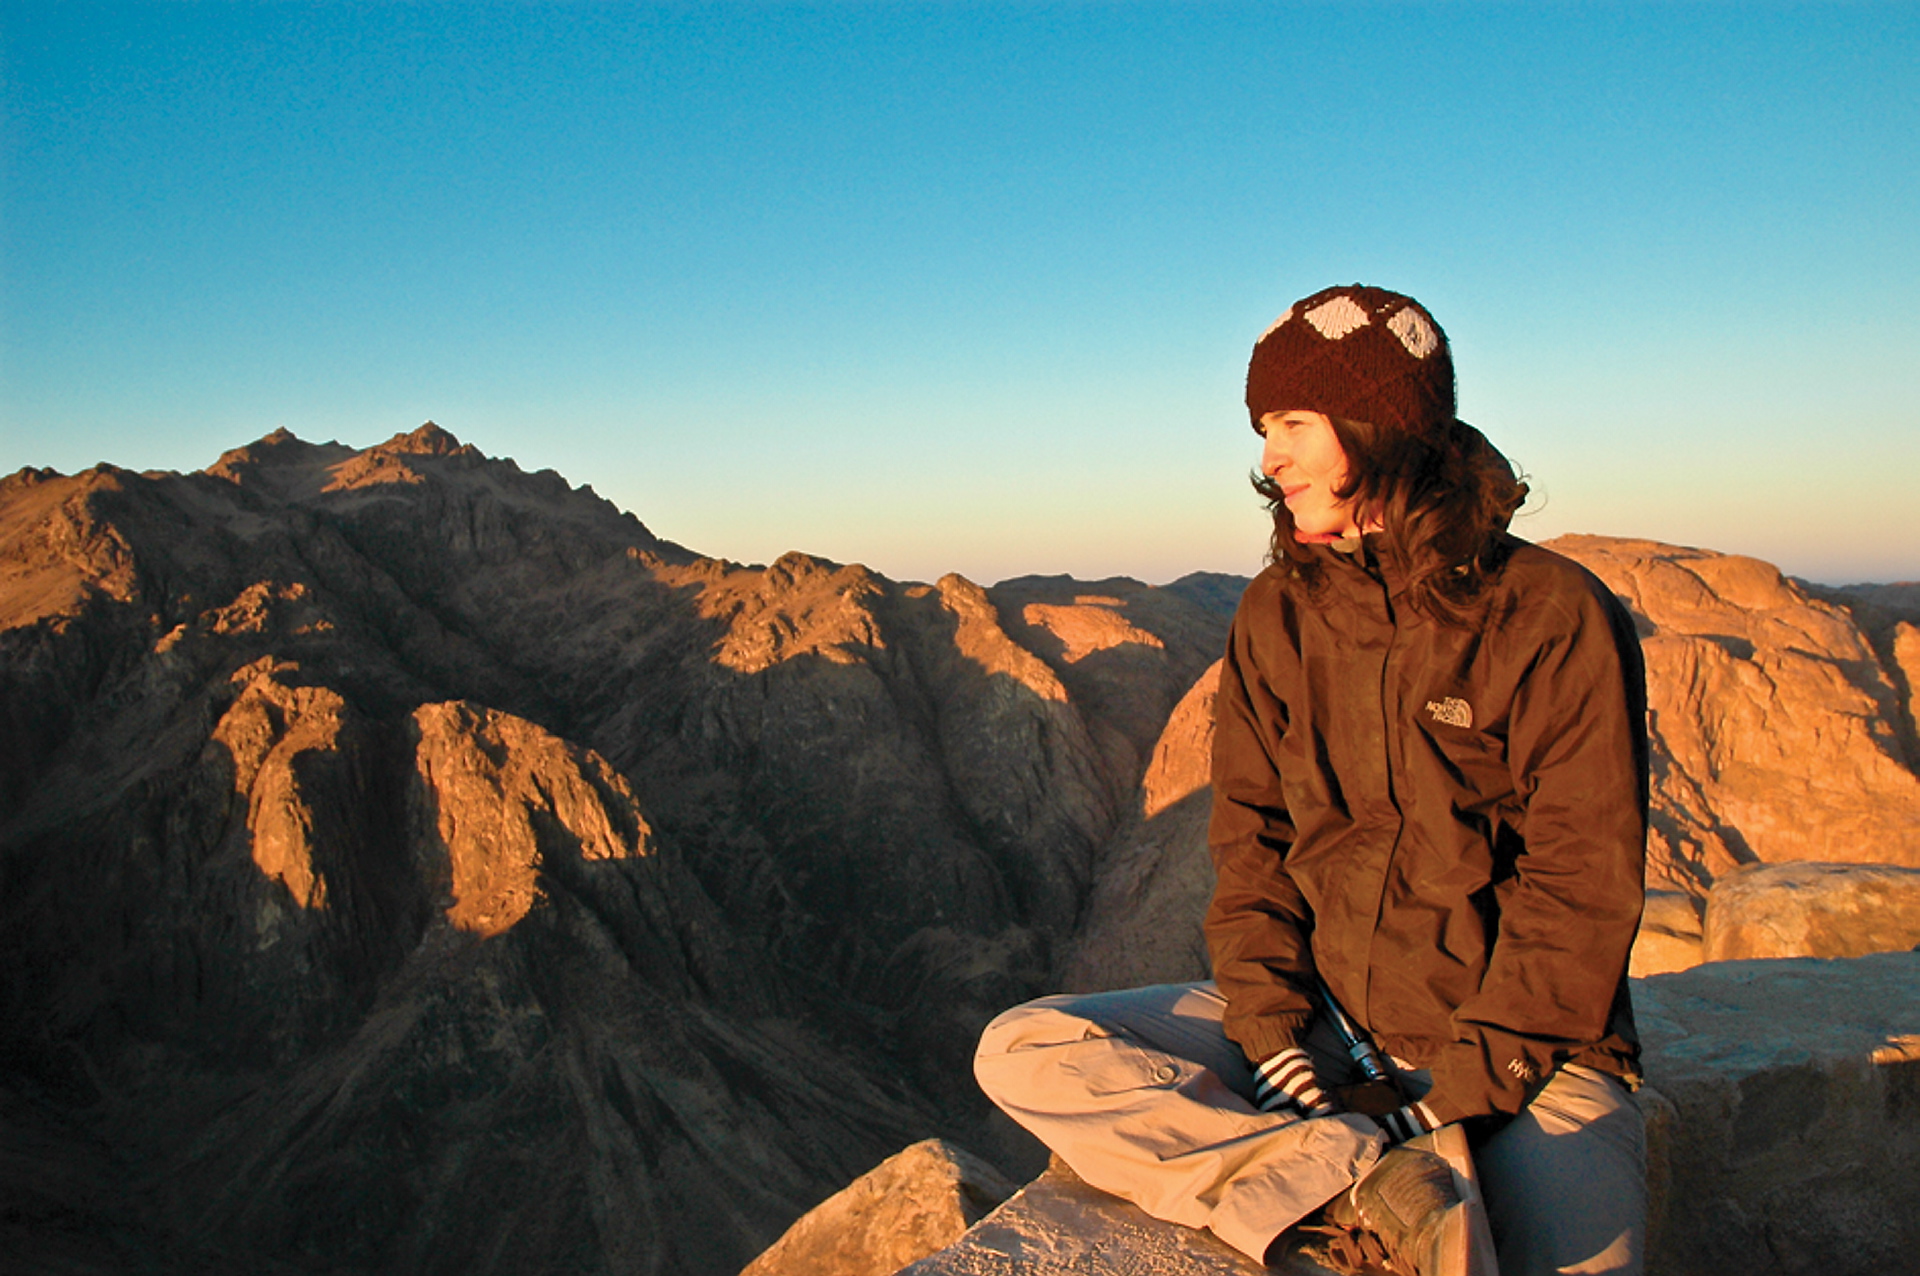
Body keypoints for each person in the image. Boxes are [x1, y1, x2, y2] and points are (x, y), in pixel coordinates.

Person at [973, 285, 1650, 1276]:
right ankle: (1347, 1190)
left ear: (1382, 423)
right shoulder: (1277, 613)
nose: (1268, 459)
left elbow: (1581, 887)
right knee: (1026, 1048)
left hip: (1530, 1060)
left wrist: (1446, 1106)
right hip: (1329, 1030)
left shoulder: (1548, 614)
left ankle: (1361, 1181)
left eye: (1292, 423)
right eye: (1263, 430)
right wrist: (1274, 1038)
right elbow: (1252, 849)